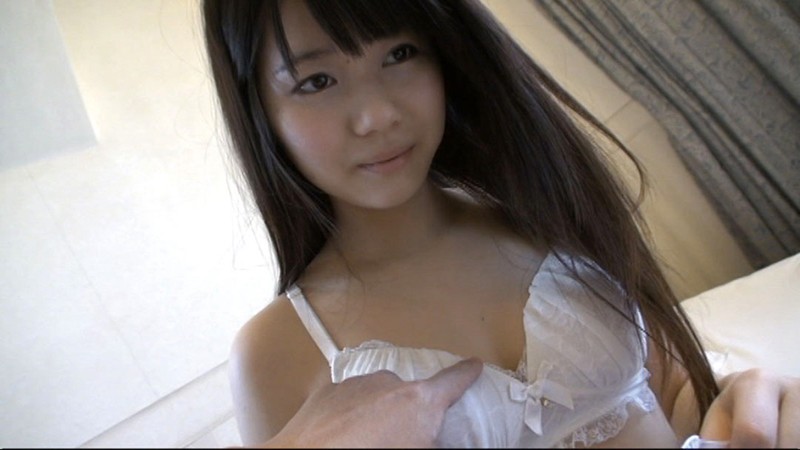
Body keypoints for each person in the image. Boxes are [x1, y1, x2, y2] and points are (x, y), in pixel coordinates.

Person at [201, 0, 799, 447]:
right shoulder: (276, 352)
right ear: (262, 114)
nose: (377, 115)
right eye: (317, 81)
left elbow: (670, 393)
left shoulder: (544, 209)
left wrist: (747, 399)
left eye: (399, 54)